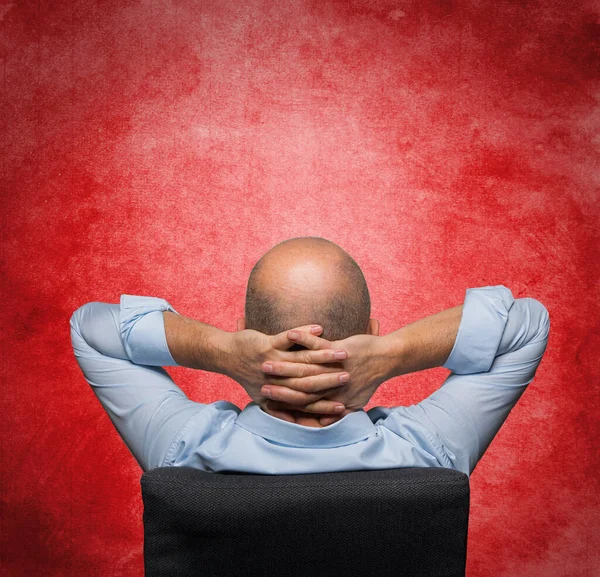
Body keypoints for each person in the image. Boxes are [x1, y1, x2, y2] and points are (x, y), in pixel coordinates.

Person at [70, 236, 550, 475]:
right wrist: (391, 354)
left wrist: (222, 353)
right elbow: (525, 323)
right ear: (371, 334)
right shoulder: (429, 453)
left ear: (244, 335)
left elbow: (92, 329)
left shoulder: (182, 449)